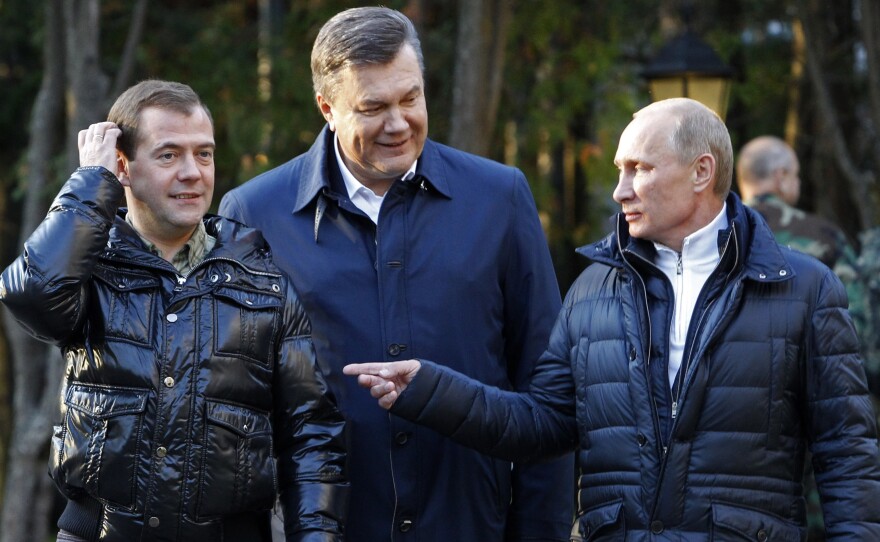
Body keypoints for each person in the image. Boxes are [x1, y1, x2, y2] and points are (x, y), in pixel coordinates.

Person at [345, 98, 880, 539]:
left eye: (639, 170)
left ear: (702, 171)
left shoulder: (805, 289)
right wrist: (432, 389)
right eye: (618, 171)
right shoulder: (592, 290)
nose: (620, 190)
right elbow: (542, 424)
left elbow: (848, 455)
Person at [219, 6, 573, 541]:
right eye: (373, 107)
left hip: (471, 525)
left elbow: (547, 389)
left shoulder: (500, 198)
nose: (399, 123)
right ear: (327, 109)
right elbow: (233, 409)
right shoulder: (254, 215)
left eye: (411, 98)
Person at [0, 80, 348, 542]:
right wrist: (90, 182)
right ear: (122, 167)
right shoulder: (89, 270)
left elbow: (311, 435)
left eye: (203, 154)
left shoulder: (265, 283)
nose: (193, 172)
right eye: (169, 155)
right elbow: (33, 294)